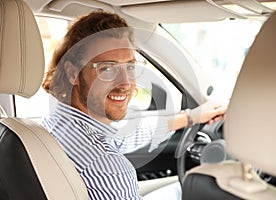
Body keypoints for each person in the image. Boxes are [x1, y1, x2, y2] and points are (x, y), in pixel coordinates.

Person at [41, 11, 226, 200]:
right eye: (107, 68)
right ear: (73, 73)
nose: (126, 83)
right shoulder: (106, 165)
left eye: (130, 67)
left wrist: (190, 117)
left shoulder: (54, 124)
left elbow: (124, 137)